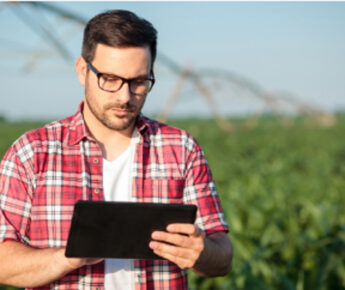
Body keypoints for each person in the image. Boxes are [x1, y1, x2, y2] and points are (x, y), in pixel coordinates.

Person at [0, 9, 232, 290]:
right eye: (110, 79)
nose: (125, 96)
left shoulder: (181, 150)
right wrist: (68, 258)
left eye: (139, 82)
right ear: (83, 71)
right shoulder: (31, 154)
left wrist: (202, 252)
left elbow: (222, 256)